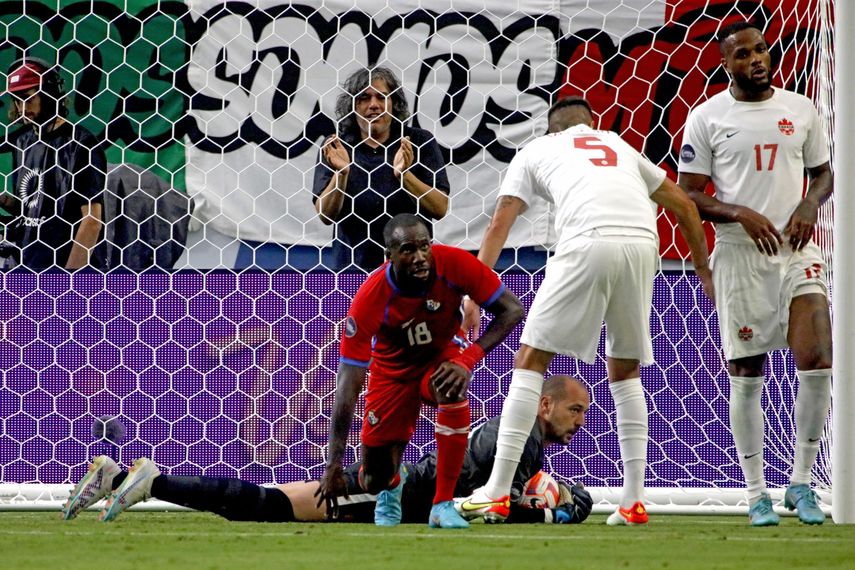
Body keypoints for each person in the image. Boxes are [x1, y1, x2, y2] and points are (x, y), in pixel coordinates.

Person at [458, 96, 713, 527]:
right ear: (591, 125)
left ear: (552, 130)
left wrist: (474, 292)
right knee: (625, 370)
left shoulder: (538, 149)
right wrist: (703, 269)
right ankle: (633, 502)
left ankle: (496, 492)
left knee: (530, 359)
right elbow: (686, 206)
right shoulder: (618, 145)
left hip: (587, 240)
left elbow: (502, 218)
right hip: (642, 245)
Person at [61, 376, 593, 526]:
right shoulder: (519, 437)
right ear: (544, 404)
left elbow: (497, 497)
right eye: (575, 410)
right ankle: (152, 480)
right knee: (266, 507)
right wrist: (551, 512)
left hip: (397, 487)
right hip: (388, 494)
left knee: (268, 504)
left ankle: (118, 477)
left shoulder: (518, 438)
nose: (581, 422)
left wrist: (560, 497)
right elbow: (493, 508)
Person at [677, 22, 833, 527]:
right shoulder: (707, 118)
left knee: (818, 359)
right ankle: (756, 493)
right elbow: (688, 193)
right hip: (741, 256)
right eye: (743, 54)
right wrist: (738, 212)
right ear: (726, 64)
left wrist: (809, 203)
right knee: (747, 371)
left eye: (761, 50)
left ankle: (802, 482)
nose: (757, 59)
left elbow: (823, 173)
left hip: (796, 249)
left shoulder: (800, 109)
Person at [312, 213, 524, 529]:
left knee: (451, 387)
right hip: (391, 372)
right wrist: (334, 464)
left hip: (441, 356)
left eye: (425, 246)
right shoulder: (371, 298)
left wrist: (467, 359)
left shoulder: (454, 264)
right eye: (408, 250)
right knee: (375, 479)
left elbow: (512, 309)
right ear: (389, 255)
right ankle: (393, 481)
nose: (420, 257)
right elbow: (348, 384)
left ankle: (442, 504)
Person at [312, 67, 450, 271]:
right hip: (354, 271)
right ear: (353, 106)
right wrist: (341, 174)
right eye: (364, 98)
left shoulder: (418, 142)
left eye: (382, 97)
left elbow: (440, 208)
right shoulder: (337, 147)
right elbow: (325, 215)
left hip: (410, 271)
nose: (374, 105)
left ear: (394, 103)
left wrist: (404, 176)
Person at [0, 56, 104, 270]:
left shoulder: (80, 143)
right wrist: (3, 200)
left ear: (49, 94)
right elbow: (32, 209)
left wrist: (69, 278)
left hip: (66, 270)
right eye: (17, 100)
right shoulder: (22, 142)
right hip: (27, 267)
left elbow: (92, 221)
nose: (21, 107)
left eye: (28, 98)